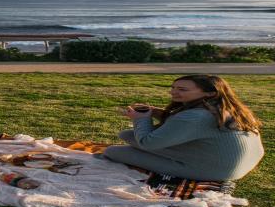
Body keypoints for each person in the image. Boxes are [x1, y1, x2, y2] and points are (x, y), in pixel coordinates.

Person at [103, 75, 264, 181]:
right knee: (127, 135)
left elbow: (147, 143)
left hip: (216, 171)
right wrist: (156, 112)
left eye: (182, 89)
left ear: (209, 93)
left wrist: (141, 118)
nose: (174, 92)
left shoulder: (195, 116)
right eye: (173, 88)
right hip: (241, 163)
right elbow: (186, 126)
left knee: (115, 150)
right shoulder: (228, 109)